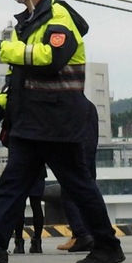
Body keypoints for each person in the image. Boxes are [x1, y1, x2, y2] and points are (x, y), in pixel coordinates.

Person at [0, 0, 123, 263]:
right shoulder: (28, 22)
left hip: (57, 120)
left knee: (78, 185)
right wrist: (0, 105)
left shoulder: (58, 17)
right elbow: (18, 74)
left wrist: (3, 48)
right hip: (32, 119)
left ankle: (107, 246)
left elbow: (51, 57)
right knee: (13, 184)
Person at [57, 98, 101, 253]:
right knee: (88, 194)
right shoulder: (91, 107)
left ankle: (80, 234)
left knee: (68, 194)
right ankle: (88, 234)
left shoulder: (68, 105)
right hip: (90, 154)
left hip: (76, 153)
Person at [14, 180, 46, 254]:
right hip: (37, 176)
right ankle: (37, 243)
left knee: (19, 207)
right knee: (37, 206)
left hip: (20, 177)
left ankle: (19, 244)